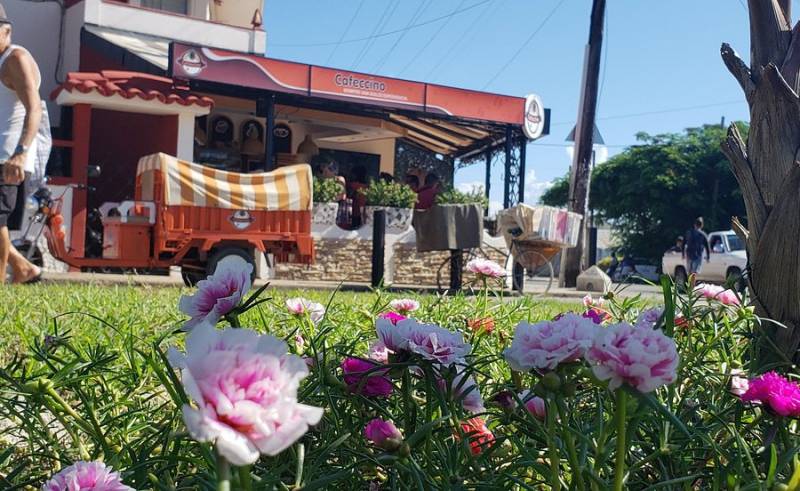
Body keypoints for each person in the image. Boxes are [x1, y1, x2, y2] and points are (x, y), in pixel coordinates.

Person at [0, 6, 43, 284]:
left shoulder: (15, 58)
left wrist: (20, 152)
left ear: (6, 30)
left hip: (9, 157)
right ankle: (23, 268)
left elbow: (35, 108)